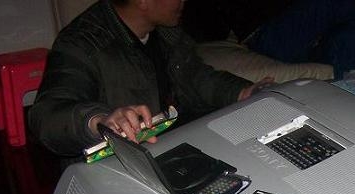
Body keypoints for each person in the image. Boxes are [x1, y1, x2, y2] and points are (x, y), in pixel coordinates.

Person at [29, 0, 272, 158]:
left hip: (175, 145)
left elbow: (197, 78)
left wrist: (243, 92)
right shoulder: (82, 43)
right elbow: (46, 116)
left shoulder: (166, 31)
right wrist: (99, 120)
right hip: (123, 165)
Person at [183, 0, 355, 80]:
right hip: (269, 37)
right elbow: (205, 30)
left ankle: (351, 105)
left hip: (310, 35)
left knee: (350, 35)